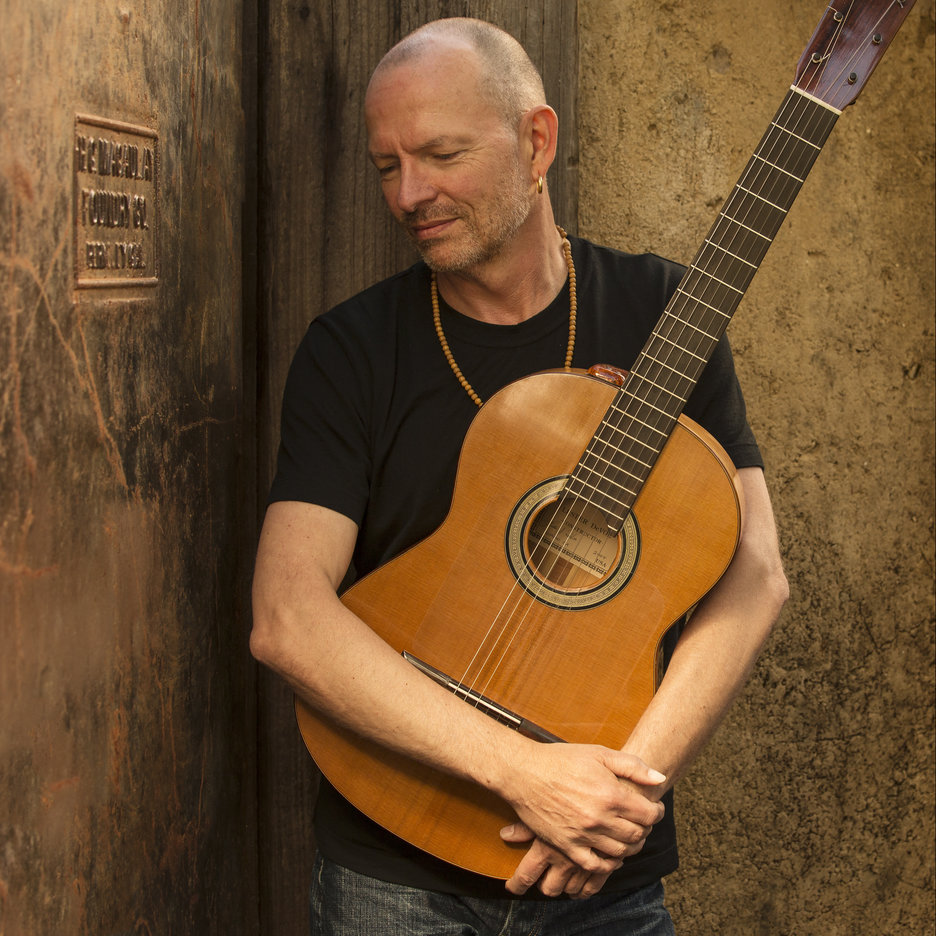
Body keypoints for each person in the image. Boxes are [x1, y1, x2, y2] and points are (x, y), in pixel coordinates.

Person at [250, 17, 789, 935]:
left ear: (536, 140)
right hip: (393, 873)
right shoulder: (351, 351)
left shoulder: (665, 313)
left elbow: (756, 576)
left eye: (441, 154)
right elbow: (287, 619)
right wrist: (526, 774)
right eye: (387, 166)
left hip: (601, 874)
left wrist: (613, 800)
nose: (411, 192)